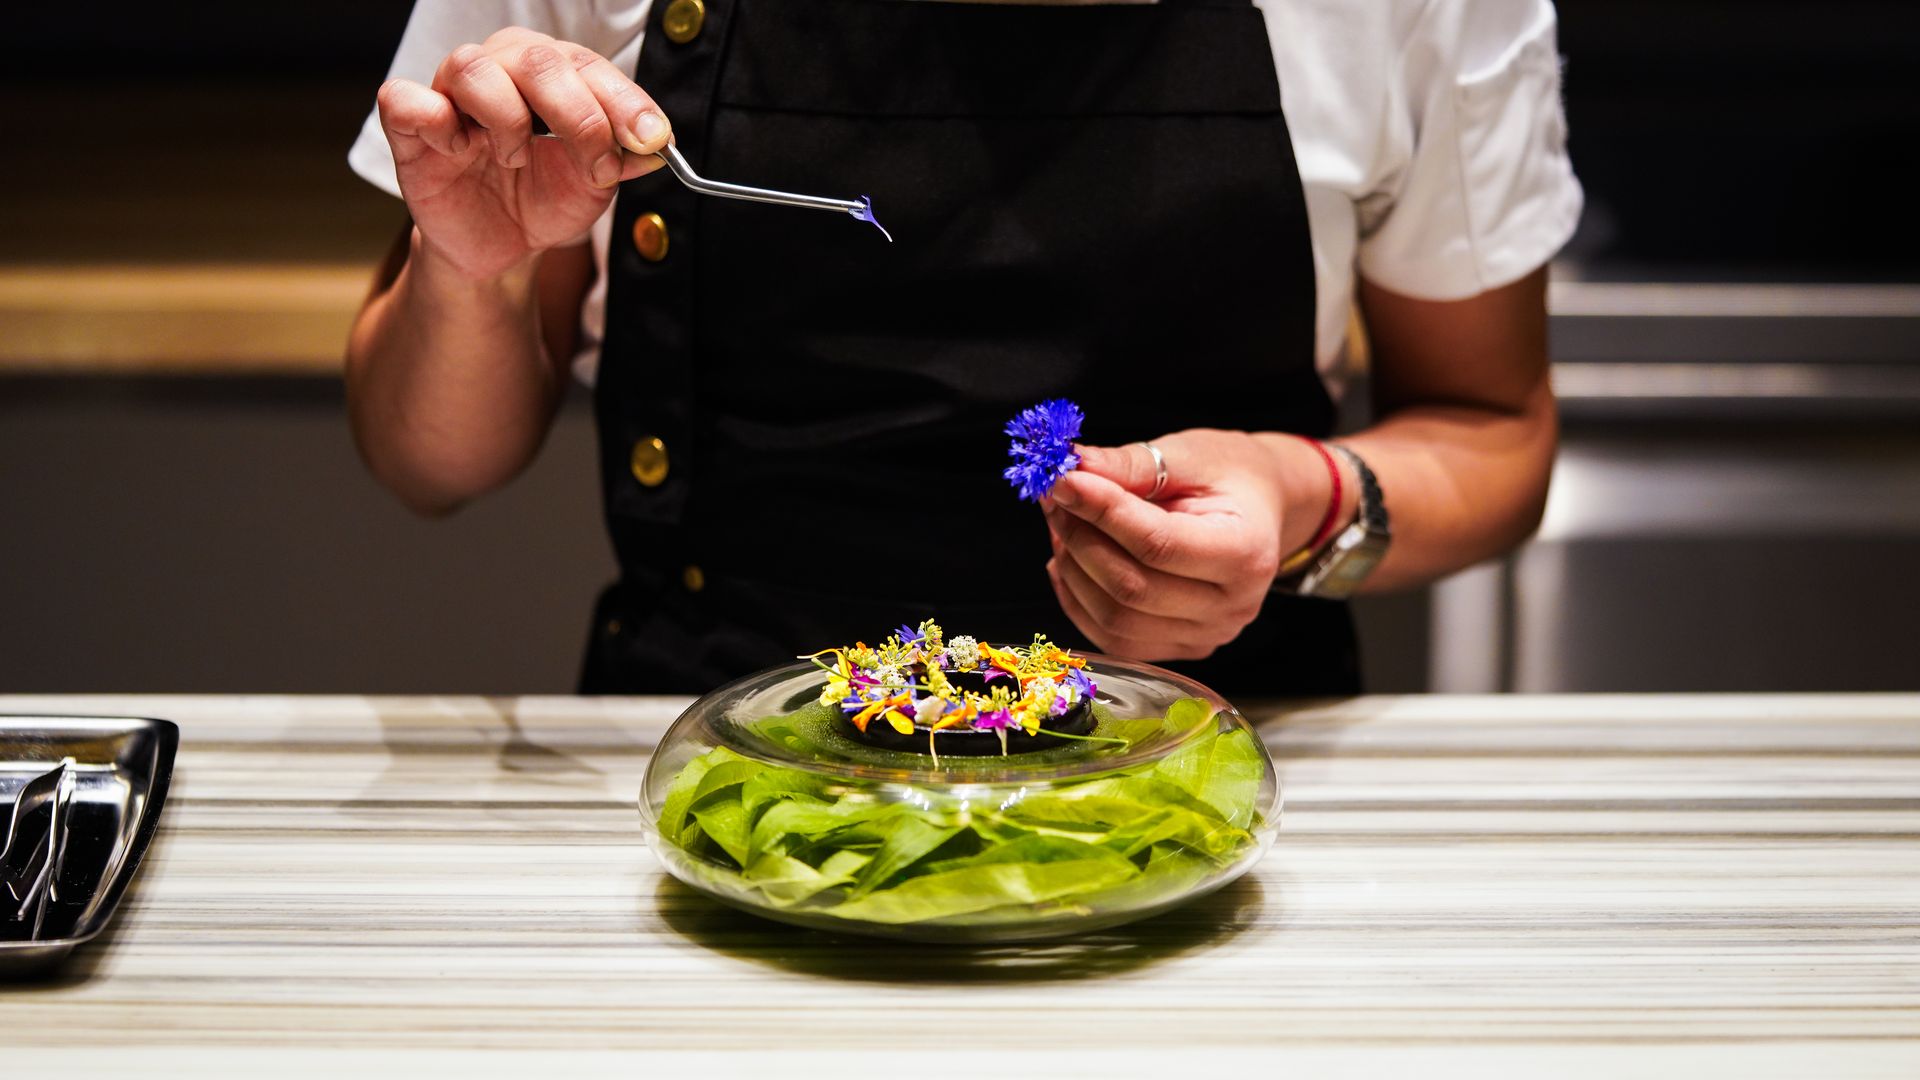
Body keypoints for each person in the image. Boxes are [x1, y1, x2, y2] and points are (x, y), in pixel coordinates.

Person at [346, 0, 1580, 696]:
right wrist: (472, 267)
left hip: (1213, 786)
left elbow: (1494, 432)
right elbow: (428, 463)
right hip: (722, 788)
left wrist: (1305, 500)